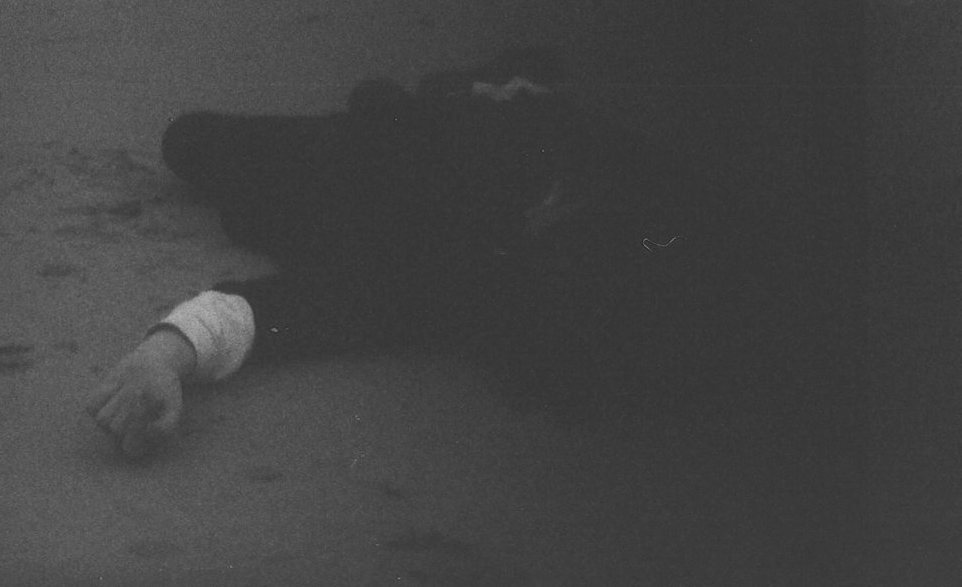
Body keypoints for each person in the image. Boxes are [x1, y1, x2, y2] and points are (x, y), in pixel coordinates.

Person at [86, 50, 762, 458]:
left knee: (199, 149)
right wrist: (510, 93)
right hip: (411, 137)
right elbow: (671, 223)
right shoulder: (635, 193)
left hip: (333, 172)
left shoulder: (457, 271)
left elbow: (281, 311)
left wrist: (164, 354)